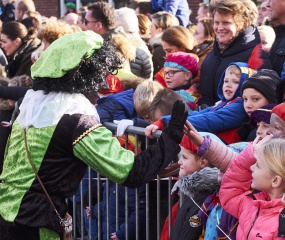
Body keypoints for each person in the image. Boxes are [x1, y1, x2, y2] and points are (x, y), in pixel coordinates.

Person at [0, 30, 188, 240]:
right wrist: (171, 136)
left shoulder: (33, 109)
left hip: (6, 210)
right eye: (101, 75)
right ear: (88, 76)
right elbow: (130, 171)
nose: (105, 83)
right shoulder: (75, 119)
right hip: (35, 222)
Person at [148, 62, 255, 144]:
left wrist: (167, 122)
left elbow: (208, 119)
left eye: (236, 82)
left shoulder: (240, 105)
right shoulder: (222, 103)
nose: (228, 85)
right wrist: (166, 120)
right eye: (226, 81)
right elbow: (200, 114)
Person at [199, 0, 272, 107]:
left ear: (241, 24)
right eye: (216, 22)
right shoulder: (213, 52)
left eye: (226, 23)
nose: (219, 28)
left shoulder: (257, 56)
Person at [220, 136, 285, 238]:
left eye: (257, 165)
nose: (251, 167)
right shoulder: (253, 203)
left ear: (275, 180)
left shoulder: (282, 225)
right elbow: (230, 193)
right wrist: (248, 158)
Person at [165, 135, 220, 240]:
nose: (180, 161)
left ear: (203, 162)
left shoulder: (203, 197)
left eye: (184, 157)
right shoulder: (194, 191)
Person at [192, 17, 215, 99]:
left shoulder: (207, 56)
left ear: (208, 37)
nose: (193, 36)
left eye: (196, 33)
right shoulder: (199, 52)